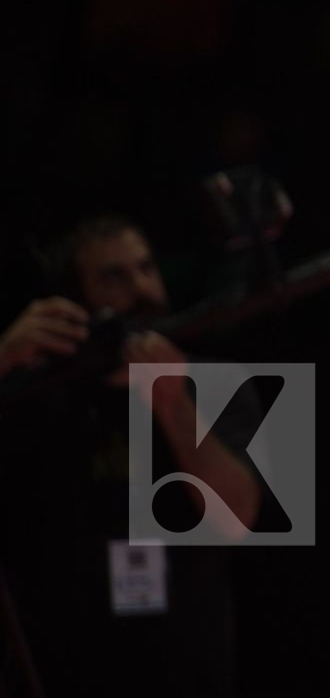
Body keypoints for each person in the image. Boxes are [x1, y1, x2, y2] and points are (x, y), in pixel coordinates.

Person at [0, 216, 268, 698]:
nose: (141, 289)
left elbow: (239, 517)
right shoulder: (36, 392)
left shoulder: (216, 380)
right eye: (113, 278)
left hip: (185, 668)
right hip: (59, 667)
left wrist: (169, 401)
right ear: (74, 301)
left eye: (146, 269)